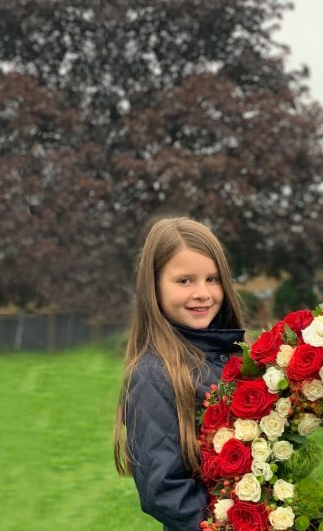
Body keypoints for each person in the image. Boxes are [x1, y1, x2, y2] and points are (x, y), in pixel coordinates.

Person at [114, 217, 245, 530]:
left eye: (212, 279)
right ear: (154, 286)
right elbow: (164, 491)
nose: (202, 293)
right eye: (184, 281)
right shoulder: (152, 374)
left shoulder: (236, 356)